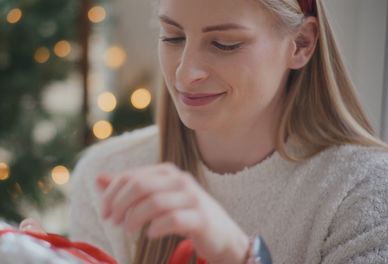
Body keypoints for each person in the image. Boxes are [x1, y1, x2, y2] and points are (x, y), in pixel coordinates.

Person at [21, 0, 388, 263]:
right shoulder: (105, 175)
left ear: (301, 44)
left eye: (224, 44)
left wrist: (238, 255)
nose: (184, 74)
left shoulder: (362, 190)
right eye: (173, 37)